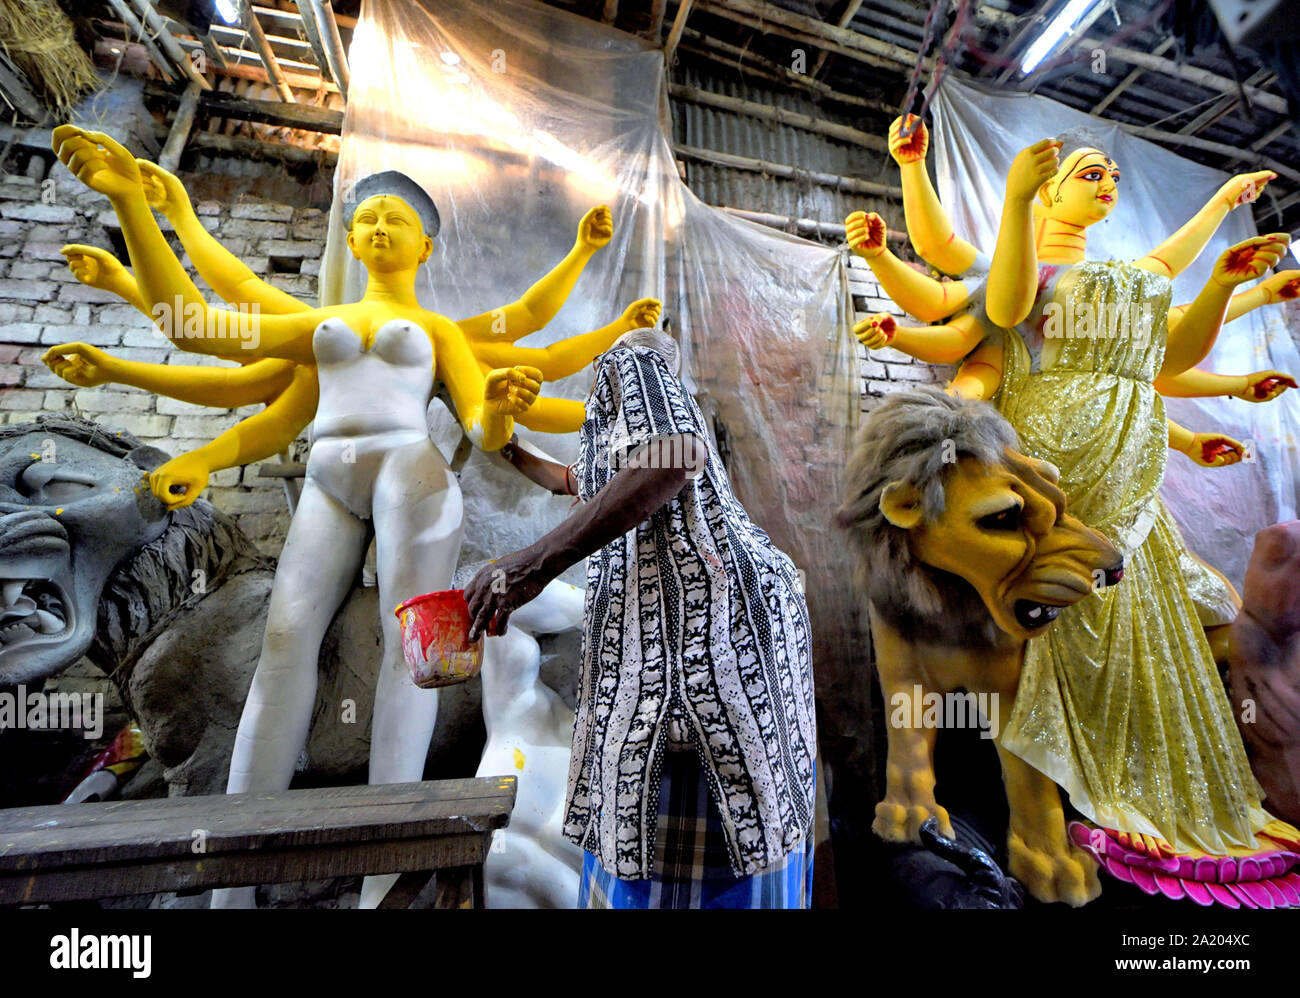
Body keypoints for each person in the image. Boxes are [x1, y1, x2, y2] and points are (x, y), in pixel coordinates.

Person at [854, 134, 1300, 865]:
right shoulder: (1014, 285)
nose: (1108, 183)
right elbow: (982, 308)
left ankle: (1153, 786)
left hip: (1128, 488)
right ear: (1053, 191)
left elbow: (1169, 360)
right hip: (1053, 478)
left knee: (1156, 634)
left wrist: (1225, 257)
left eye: (1115, 175)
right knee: (1039, 638)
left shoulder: (1131, 282)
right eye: (1090, 173)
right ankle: (1038, 807)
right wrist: (925, 185)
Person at [464, 328, 817, 908]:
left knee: (696, 762)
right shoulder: (612, 442)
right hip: (757, 616)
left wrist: (534, 563)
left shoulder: (634, 362)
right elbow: (567, 480)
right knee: (742, 788)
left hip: (715, 625)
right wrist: (503, 445)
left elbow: (674, 454)